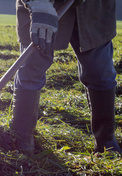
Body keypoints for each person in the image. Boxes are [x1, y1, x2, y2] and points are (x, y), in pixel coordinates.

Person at [11, 0, 122, 155]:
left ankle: (106, 142)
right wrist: (38, 3)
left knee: (101, 73)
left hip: (95, 10)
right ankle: (21, 141)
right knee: (31, 69)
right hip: (43, 9)